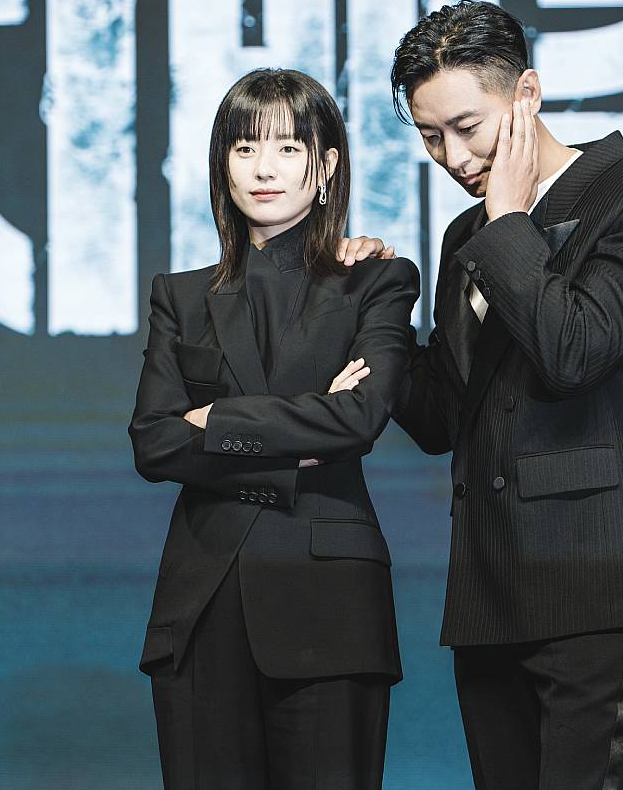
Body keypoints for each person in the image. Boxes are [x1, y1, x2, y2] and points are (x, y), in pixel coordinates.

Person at [354, 0, 623, 788]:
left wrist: (508, 218)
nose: (452, 156)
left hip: (594, 580)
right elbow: (442, 417)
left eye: (467, 127)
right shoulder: (464, 237)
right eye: (429, 136)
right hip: (487, 590)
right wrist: (367, 309)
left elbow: (574, 352)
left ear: (527, 94)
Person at [128, 68, 419, 789]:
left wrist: (217, 420)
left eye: (289, 148)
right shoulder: (181, 296)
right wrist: (303, 434)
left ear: (327, 165)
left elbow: (358, 417)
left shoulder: (376, 281)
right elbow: (155, 441)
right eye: (245, 147)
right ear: (221, 162)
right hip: (202, 602)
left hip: (329, 601)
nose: (264, 169)